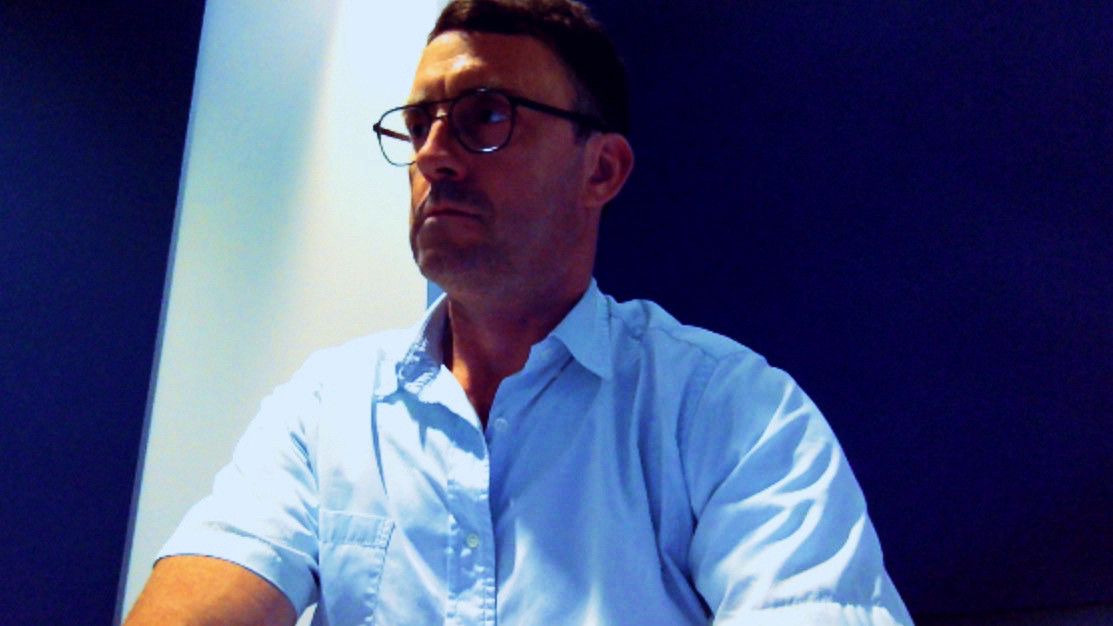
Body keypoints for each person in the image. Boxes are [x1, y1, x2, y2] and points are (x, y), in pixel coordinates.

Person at [125, 0, 912, 624]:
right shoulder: (325, 408)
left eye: (485, 115)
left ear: (600, 169)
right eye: (418, 122)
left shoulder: (731, 413)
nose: (433, 153)